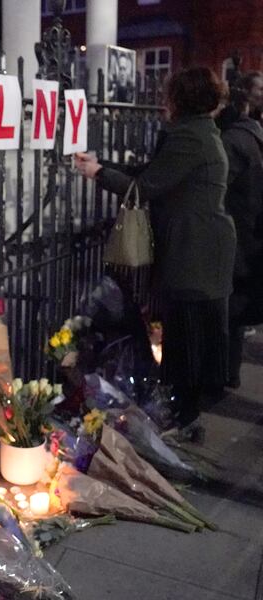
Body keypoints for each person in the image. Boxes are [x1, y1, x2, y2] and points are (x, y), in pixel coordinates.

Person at [75, 67, 236, 441]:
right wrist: (102, 167)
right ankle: (184, 415)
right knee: (185, 334)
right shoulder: (196, 133)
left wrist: (98, 173)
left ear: (181, 99)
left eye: (168, 95)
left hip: (194, 252)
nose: (163, 101)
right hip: (198, 248)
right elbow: (151, 172)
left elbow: (144, 187)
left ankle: (184, 420)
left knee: (184, 338)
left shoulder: (190, 138)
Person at [217, 72, 263, 388]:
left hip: (237, 235)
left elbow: (220, 188)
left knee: (228, 311)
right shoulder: (255, 136)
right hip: (251, 235)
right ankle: (228, 372)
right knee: (235, 308)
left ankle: (223, 374)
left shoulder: (234, 141)